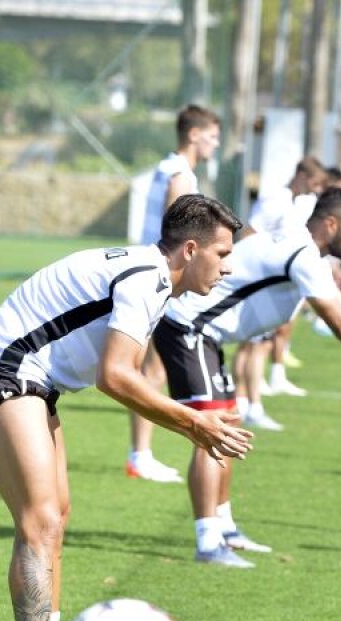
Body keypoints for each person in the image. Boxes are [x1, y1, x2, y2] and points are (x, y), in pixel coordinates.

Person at [0, 194, 252, 621]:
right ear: (190, 250)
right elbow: (114, 376)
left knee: (55, 519)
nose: (228, 267)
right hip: (1, 372)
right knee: (40, 522)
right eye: (222, 254)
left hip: (31, 380)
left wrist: (191, 423)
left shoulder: (154, 279)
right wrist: (193, 423)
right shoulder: (146, 279)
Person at [154, 187, 341, 568]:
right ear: (331, 224)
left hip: (205, 335)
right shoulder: (302, 254)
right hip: (187, 329)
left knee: (227, 426)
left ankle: (224, 528)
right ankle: (208, 542)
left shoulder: (303, 249)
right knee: (210, 432)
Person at [127, 104, 222, 482]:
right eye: (212, 136)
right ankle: (140, 454)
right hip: (159, 279)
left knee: (150, 368)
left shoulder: (169, 167)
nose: (216, 144)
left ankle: (141, 453)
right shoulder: (180, 175)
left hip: (153, 276)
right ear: (194, 135)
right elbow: (178, 235)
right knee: (149, 369)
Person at [233, 155, 334, 429]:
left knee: (256, 345)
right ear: (301, 175)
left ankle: (242, 403)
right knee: (255, 346)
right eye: (314, 182)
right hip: (260, 282)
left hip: (273, 283)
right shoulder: (275, 200)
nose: (315, 189)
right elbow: (249, 233)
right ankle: (251, 406)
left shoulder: (297, 203)